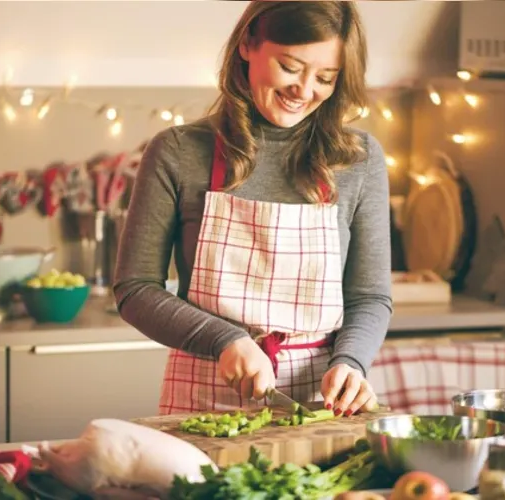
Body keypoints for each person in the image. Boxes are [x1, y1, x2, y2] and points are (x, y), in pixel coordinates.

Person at [113, 0, 392, 417]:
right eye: (291, 66)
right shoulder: (178, 151)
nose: (304, 89)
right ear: (248, 44)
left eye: (325, 77)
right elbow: (135, 289)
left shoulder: (359, 158)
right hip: (203, 397)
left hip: (321, 401)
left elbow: (369, 296)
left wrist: (351, 362)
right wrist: (226, 339)